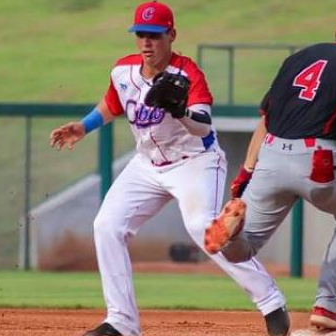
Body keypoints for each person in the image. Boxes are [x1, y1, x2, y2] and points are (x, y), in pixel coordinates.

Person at [49, 2, 289, 336]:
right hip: (147, 166)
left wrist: (180, 112)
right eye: (141, 35)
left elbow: (204, 126)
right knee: (107, 225)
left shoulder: (188, 73)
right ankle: (121, 322)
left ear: (172, 35)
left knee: (203, 229)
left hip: (195, 162)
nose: (147, 42)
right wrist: (85, 126)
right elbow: (113, 102)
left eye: (155, 36)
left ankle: (271, 302)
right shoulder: (123, 70)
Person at [204, 0, 336, 331]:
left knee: (242, 250)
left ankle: (233, 232)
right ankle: (325, 304)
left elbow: (267, 119)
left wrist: (246, 171)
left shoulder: (299, 57)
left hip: (270, 156)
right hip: (316, 158)